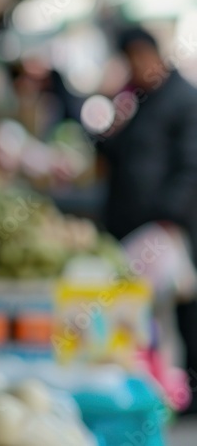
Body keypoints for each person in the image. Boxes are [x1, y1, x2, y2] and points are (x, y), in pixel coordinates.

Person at [97, 26, 197, 407]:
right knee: (150, 320)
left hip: (169, 230)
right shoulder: (142, 99)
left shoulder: (184, 100)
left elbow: (191, 168)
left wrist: (169, 219)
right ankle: (162, 391)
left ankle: (184, 397)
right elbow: (115, 152)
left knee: (182, 318)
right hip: (138, 228)